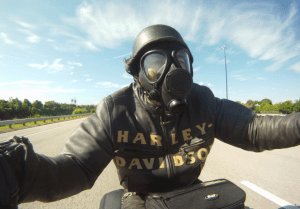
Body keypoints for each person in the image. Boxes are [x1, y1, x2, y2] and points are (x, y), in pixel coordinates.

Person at [0, 24, 300, 209]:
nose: (172, 70)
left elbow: (255, 129)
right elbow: (76, 167)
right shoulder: (115, 109)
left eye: (180, 59)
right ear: (138, 73)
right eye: (157, 62)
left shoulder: (203, 100)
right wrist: (20, 173)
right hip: (139, 198)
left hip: (190, 192)